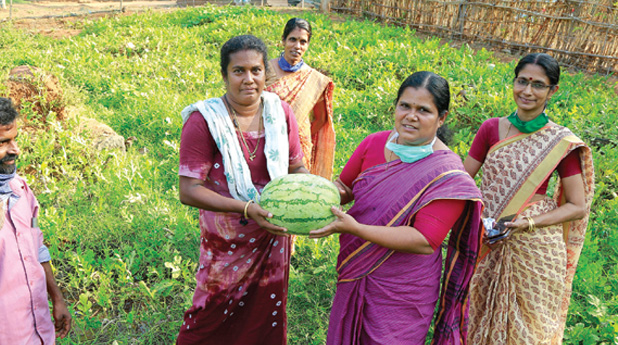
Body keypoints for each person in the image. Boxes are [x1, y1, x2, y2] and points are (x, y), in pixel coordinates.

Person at [310, 71, 484, 344]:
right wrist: (311, 193)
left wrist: (356, 228)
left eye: (423, 110)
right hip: (358, 273)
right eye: (405, 106)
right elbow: (345, 188)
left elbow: (424, 240)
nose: (411, 116)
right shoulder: (375, 143)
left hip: (402, 289)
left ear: (442, 118)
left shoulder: (447, 175)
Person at [176, 35, 308, 345]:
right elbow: (189, 190)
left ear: (266, 72)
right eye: (239, 71)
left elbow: (296, 167)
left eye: (256, 70)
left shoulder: (280, 113)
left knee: (264, 312)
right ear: (225, 75)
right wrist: (247, 209)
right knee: (209, 315)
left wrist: (312, 196)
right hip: (227, 241)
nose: (249, 79)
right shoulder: (204, 120)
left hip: (273, 233)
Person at [464, 53, 594, 344]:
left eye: (538, 85)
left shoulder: (560, 142)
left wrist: (529, 223)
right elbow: (463, 181)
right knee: (479, 318)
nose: (527, 91)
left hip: (535, 248)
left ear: (552, 91)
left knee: (530, 329)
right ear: (514, 82)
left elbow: (577, 206)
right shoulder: (491, 129)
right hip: (489, 237)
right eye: (522, 81)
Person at [0, 94, 72, 344]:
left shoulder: (21, 192)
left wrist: (56, 297)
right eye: (2, 143)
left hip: (39, 330)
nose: (15, 150)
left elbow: (37, 244)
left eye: (15, 139)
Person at [265, 18, 335, 179]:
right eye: (292, 39)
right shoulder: (265, 69)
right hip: (266, 140)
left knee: (295, 190)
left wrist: (294, 136)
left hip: (299, 146)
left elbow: (320, 118)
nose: (297, 46)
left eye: (303, 42)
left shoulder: (314, 80)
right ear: (283, 40)